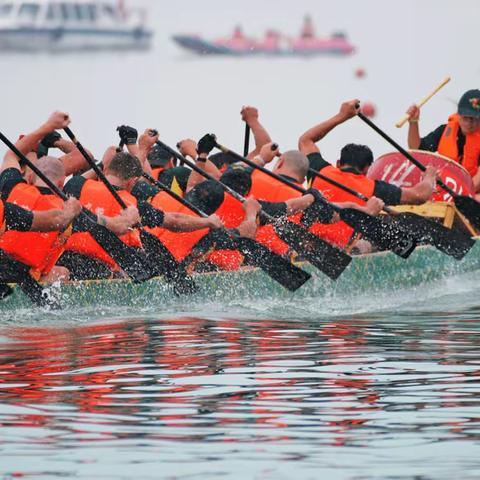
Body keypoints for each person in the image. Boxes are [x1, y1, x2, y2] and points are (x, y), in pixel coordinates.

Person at [0, 111, 139, 282]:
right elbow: (117, 226)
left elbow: (11, 154)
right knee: (61, 274)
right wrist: (129, 217)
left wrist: (47, 127)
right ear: (61, 184)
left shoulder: (11, 186)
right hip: (27, 278)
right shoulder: (70, 211)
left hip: (5, 269)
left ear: (29, 177)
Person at [298, 99, 438, 248]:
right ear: (366, 170)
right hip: (339, 253)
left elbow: (305, 140)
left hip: (302, 245)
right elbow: (420, 195)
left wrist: (342, 116)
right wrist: (429, 176)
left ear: (338, 163)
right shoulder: (374, 189)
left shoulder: (319, 170)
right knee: (367, 245)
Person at [62, 150, 223, 278]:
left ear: (105, 169)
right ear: (132, 181)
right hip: (101, 270)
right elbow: (175, 221)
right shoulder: (134, 206)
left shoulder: (76, 185)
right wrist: (208, 222)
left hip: (64, 260)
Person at [405, 89, 480, 187]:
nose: (469, 123)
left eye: (474, 119)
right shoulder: (444, 130)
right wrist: (413, 121)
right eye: (466, 117)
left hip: (472, 193)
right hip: (446, 191)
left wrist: (463, 194)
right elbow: (416, 148)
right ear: (458, 114)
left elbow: (477, 181)